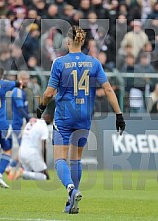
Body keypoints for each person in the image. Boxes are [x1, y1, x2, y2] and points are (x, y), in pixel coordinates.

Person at [36, 26, 126, 214]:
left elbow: (49, 92)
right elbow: (108, 89)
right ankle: (70, 204)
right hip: (84, 116)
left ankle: (70, 188)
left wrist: (41, 107)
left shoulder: (59, 63)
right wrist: (119, 114)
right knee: (76, 158)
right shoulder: (93, 63)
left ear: (68, 42)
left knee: (61, 157)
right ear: (82, 41)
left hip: (64, 116)